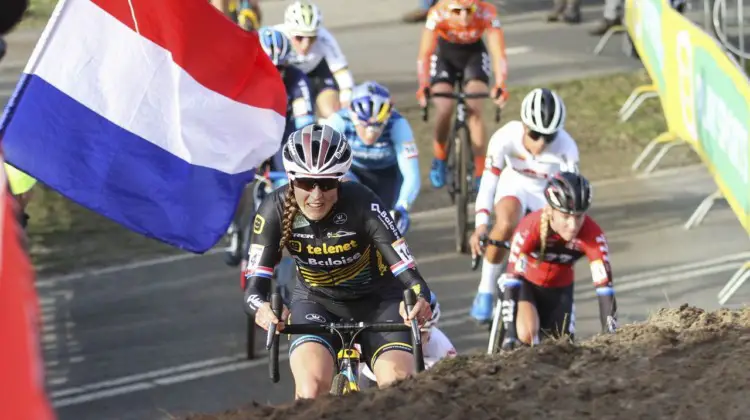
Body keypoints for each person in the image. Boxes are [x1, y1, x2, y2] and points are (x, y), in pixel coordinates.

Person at [243, 124, 433, 399]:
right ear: (291, 179)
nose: (317, 195)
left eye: (328, 183)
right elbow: (253, 290)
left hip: (380, 302)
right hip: (316, 302)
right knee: (310, 392)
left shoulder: (364, 203)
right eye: (307, 183)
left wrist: (419, 300)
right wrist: (263, 310)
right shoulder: (273, 209)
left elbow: (410, 275)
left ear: (341, 180)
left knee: (398, 391)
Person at [468, 88, 579, 323]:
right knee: (505, 224)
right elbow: (489, 183)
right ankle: (486, 289)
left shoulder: (567, 148)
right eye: (536, 134)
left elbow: (571, 197)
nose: (540, 143)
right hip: (515, 185)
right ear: (525, 126)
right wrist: (480, 224)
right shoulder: (505, 137)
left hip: (547, 197)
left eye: (549, 137)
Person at [493, 171, 618, 349]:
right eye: (566, 217)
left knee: (562, 348)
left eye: (579, 216)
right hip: (525, 286)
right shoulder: (530, 227)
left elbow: (605, 291)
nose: (573, 226)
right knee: (527, 333)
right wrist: (510, 335)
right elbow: (512, 281)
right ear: (550, 211)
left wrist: (611, 336)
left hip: (560, 291)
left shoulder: (592, 235)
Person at [225, 27, 315, 268]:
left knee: (287, 183)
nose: (276, 74)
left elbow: (303, 127)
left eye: (281, 69)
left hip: (282, 133)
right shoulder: (243, 77)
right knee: (241, 181)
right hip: (249, 130)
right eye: (270, 68)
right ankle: (235, 228)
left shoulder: (297, 80)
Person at [416, 0, 509, 191]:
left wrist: (501, 84)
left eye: (469, 10)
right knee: (445, 108)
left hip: (473, 55)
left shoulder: (488, 12)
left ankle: (480, 171)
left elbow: (498, 53)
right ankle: (440, 157)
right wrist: (424, 85)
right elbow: (425, 55)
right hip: (444, 56)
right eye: (457, 11)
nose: (464, 17)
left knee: (474, 108)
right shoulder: (437, 13)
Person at [322, 81, 421, 235]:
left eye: (377, 126)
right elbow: (320, 164)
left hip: (386, 177)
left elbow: (411, 173)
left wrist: (403, 206)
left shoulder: (398, 124)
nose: (370, 133)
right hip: (352, 172)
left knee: (388, 227)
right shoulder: (338, 121)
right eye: (364, 125)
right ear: (352, 116)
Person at [274, 1, 355, 119]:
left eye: (312, 38)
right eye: (299, 37)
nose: (305, 45)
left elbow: (341, 72)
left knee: (332, 114)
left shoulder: (325, 38)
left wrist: (346, 98)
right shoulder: (277, 36)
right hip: (289, 76)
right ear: (289, 31)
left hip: (317, 73)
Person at [359, 291, 456, 386]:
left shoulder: (442, 346)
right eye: (409, 334)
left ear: (432, 330)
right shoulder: (388, 338)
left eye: (422, 333)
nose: (416, 339)